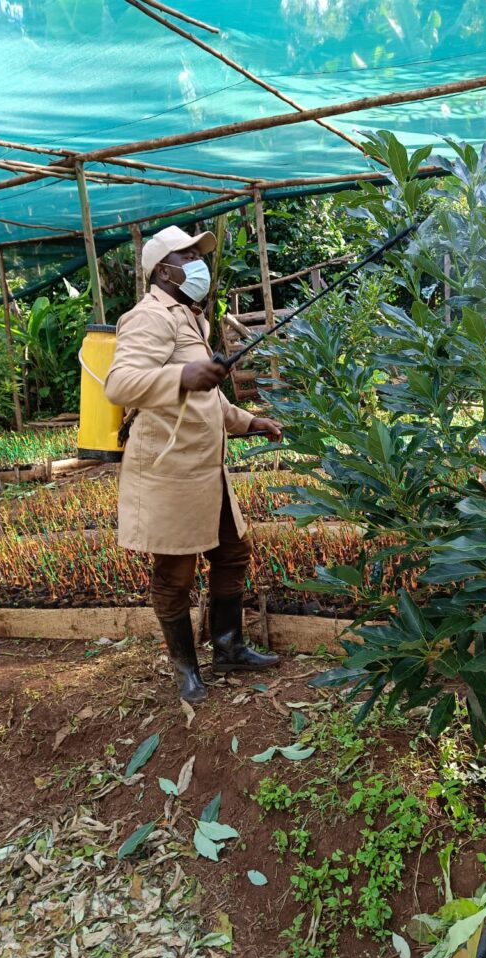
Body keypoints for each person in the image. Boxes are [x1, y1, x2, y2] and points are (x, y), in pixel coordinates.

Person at [105, 225, 283, 707]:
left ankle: (229, 648)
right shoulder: (147, 318)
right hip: (170, 469)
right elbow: (120, 384)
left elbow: (207, 398)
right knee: (176, 571)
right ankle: (186, 671)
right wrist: (184, 373)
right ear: (164, 269)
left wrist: (250, 421)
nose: (197, 263)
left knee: (232, 553)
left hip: (207, 468)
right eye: (188, 255)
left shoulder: (190, 318)